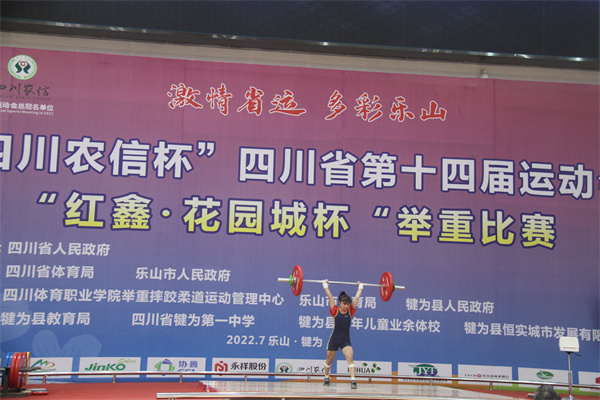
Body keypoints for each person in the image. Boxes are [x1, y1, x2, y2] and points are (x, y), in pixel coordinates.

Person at [322, 279, 363, 389]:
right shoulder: (335, 310)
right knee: (329, 360)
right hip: (334, 339)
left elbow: (357, 298)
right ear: (340, 303)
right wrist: (325, 285)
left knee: (350, 357)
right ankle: (326, 377)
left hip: (345, 340)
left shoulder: (350, 311)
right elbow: (330, 297)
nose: (346, 306)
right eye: (344, 304)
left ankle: (353, 381)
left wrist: (360, 287)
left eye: (348, 304)